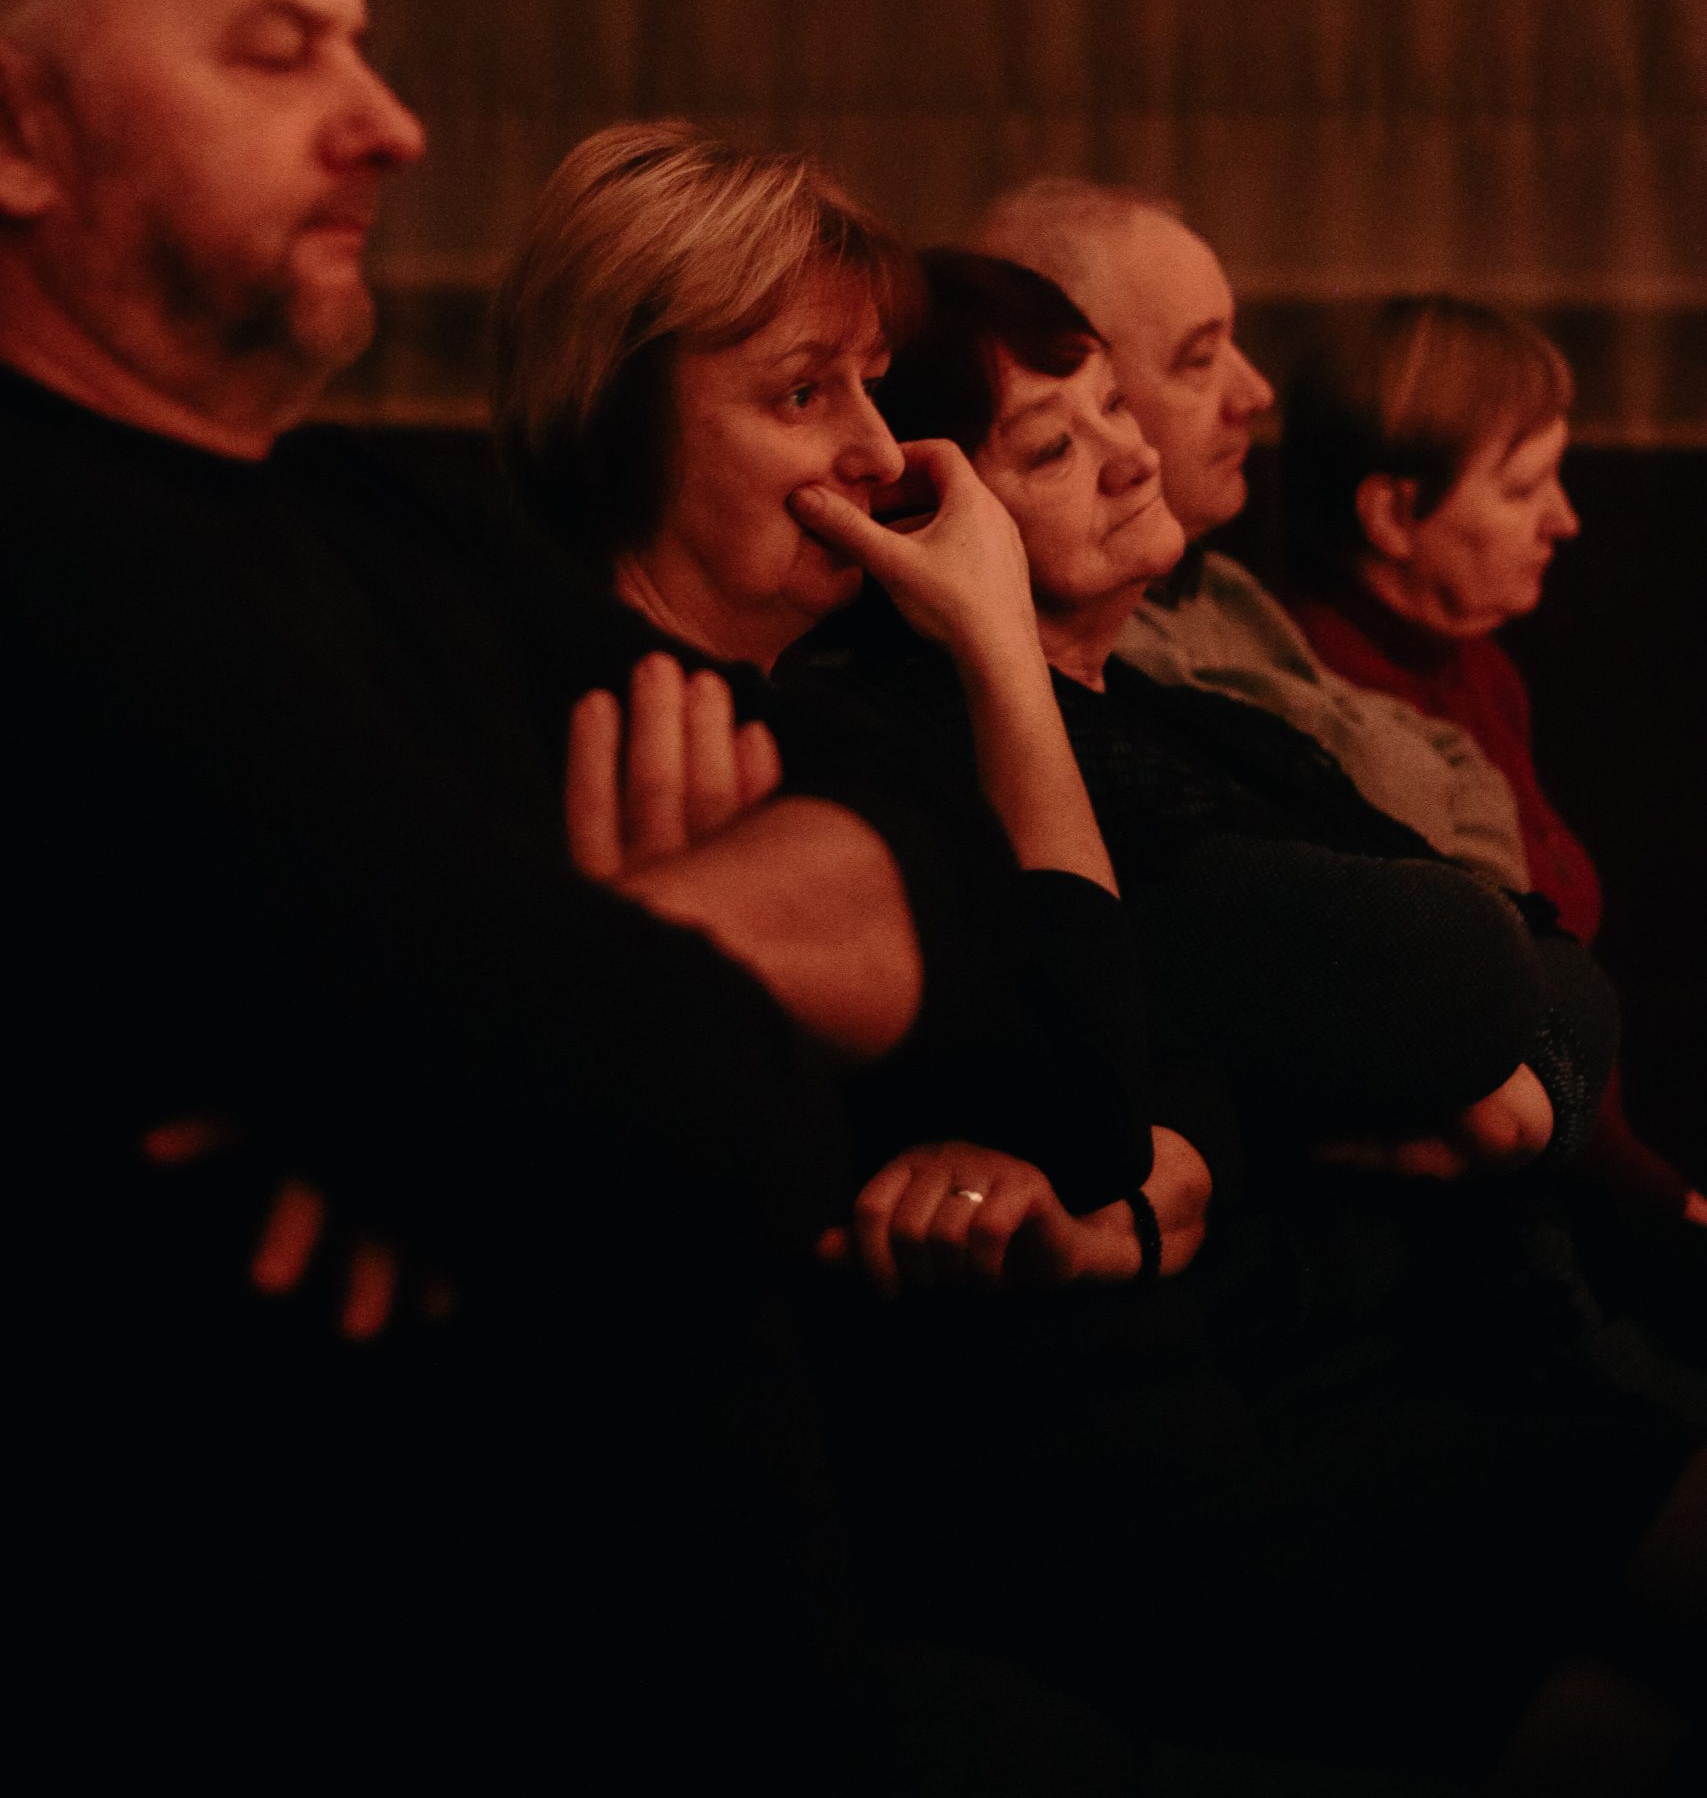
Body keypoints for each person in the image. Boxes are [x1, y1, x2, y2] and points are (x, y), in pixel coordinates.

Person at [0, 0, 1130, 1792]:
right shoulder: (68, 580)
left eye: (362, 46)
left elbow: (959, 908)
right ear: (19, 131)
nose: (390, 122)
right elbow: (712, 1136)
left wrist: (569, 969)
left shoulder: (358, 521)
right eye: (277, 52)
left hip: (765, 1669)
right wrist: (603, 1042)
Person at [796, 244, 1705, 1771]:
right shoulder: (945, 752)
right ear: (920, 519)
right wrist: (1503, 1044)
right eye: (1050, 446)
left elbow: (1552, 966)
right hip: (1315, 1418)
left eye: (1111, 407)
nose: (1128, 452)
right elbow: (1451, 974)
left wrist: (1525, 1096)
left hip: (1464, 1356)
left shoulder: (1190, 721)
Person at [491, 118, 1222, 1280]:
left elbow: (1148, 1079)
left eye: (871, 387)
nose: (881, 454)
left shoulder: (836, 721)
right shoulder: (539, 717)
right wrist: (999, 643)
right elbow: (1092, 1112)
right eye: (801, 394)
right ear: (617, 423)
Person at [1280, 294, 1705, 1235]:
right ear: (1391, 513)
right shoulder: (1326, 714)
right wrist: (1669, 1207)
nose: (1564, 520)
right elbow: (1491, 1039)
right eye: (1522, 489)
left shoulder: (1474, 667)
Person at [975, 176, 1534, 887]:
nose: (1255, 393)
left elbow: (1451, 759)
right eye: (1199, 359)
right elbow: (1396, 799)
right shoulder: (1100, 655)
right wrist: (1498, 916)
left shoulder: (1221, 589)